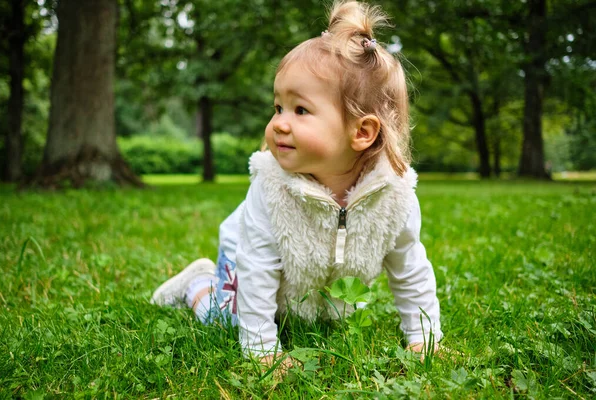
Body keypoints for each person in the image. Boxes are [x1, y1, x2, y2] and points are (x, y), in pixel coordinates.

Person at [151, 0, 442, 371]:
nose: (279, 124)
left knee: (315, 323)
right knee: (227, 318)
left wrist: (423, 338)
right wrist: (262, 352)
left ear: (362, 132)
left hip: (314, 285)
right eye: (278, 108)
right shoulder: (271, 188)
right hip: (247, 260)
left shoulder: (395, 197)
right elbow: (256, 268)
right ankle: (200, 286)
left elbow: (410, 269)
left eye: (300, 110)